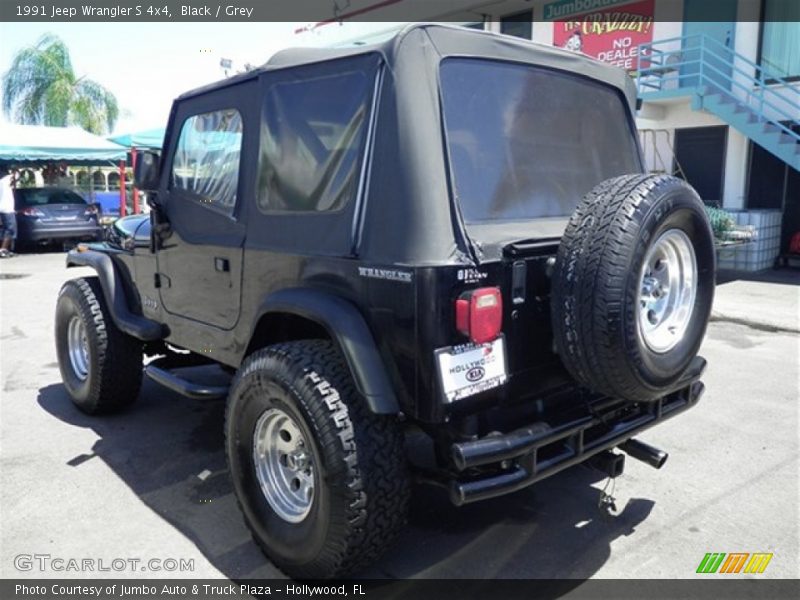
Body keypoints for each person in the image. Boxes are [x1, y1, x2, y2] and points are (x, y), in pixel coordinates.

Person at [0, 168, 17, 258]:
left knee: (3, 230)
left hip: (2, 208)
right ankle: (3, 249)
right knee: (10, 230)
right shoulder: (8, 178)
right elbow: (14, 185)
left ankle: (4, 249)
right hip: (7, 209)